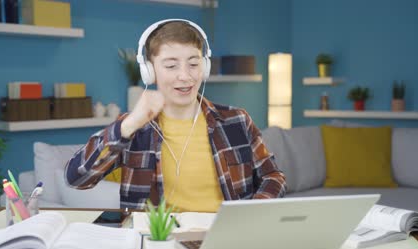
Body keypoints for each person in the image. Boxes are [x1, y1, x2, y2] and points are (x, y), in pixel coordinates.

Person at [65, 19, 286, 212]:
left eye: (193, 64)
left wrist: (250, 214)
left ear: (205, 67)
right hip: (158, 242)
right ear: (149, 72)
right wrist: (127, 125)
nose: (184, 76)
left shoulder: (236, 120)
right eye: (171, 65)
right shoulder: (134, 128)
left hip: (226, 240)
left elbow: (273, 177)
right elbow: (76, 179)